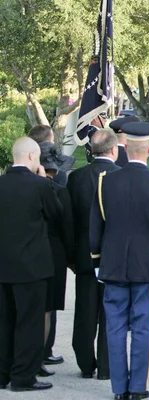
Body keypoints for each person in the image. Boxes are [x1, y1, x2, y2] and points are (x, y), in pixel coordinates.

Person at [89, 122, 149, 400]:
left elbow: (96, 226)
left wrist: (97, 261)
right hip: (145, 266)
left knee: (113, 328)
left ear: (124, 148)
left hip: (112, 266)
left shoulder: (106, 182)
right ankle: (138, 387)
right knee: (141, 328)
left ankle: (119, 389)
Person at [0, 137, 61, 392]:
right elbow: (56, 213)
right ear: (31, 157)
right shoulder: (40, 185)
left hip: (3, 265)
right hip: (32, 267)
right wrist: (45, 180)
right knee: (29, 323)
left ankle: (2, 374)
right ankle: (24, 376)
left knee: (4, 322)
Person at [67, 129, 120, 380]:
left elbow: (70, 222)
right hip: (115, 258)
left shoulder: (76, 178)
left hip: (85, 256)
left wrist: (71, 256)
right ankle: (107, 368)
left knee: (85, 313)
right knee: (112, 313)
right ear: (114, 149)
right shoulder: (123, 177)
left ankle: (86, 364)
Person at [37, 142, 75, 378]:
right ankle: (40, 355)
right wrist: (72, 258)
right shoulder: (59, 192)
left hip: (31, 252)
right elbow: (67, 229)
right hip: (54, 253)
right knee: (47, 309)